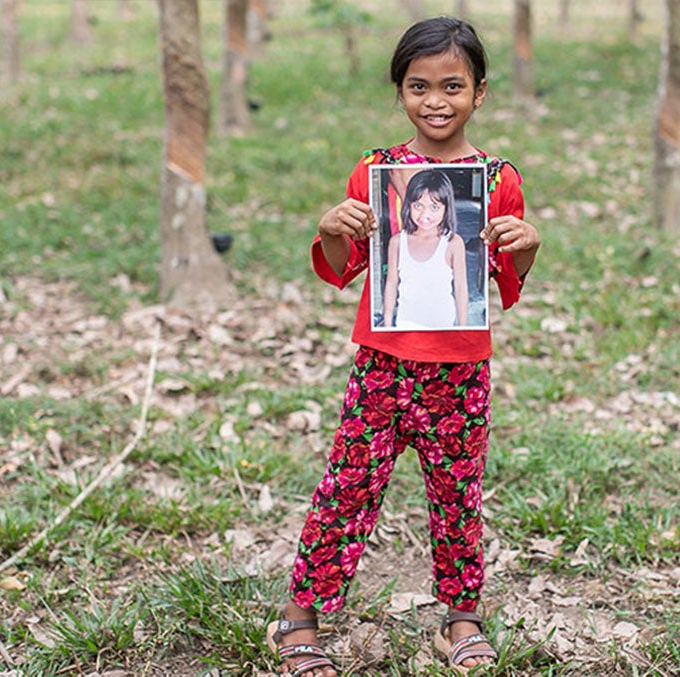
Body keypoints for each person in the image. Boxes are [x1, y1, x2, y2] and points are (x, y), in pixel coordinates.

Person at [266, 16, 540, 677]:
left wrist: (526, 250)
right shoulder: (377, 173)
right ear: (399, 92)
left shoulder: (496, 180)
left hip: (461, 373)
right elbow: (343, 266)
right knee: (349, 484)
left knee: (456, 491)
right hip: (382, 367)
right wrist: (333, 226)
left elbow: (503, 281)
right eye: (419, 86)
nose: (436, 101)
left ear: (481, 92)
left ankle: (461, 617)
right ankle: (300, 617)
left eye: (453, 85)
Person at [381, 168, 469, 329]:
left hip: (443, 326)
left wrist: (463, 328)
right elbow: (391, 283)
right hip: (406, 324)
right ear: (409, 205)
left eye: (434, 207)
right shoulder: (397, 242)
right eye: (418, 205)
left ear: (446, 208)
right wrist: (387, 324)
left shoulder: (453, 243)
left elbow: (461, 287)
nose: (425, 214)